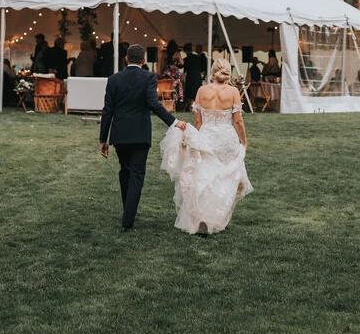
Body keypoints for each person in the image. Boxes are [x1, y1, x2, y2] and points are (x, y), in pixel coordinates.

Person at [160, 57, 253, 236]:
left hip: (207, 136)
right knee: (224, 178)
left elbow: (198, 121)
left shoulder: (202, 90)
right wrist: (244, 141)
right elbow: (238, 121)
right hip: (226, 138)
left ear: (212, 71)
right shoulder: (233, 91)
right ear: (227, 71)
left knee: (205, 175)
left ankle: (203, 217)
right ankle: (215, 217)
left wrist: (198, 139)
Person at [99, 43, 186, 232]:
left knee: (125, 171)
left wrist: (103, 139)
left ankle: (127, 213)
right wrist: (174, 122)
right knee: (137, 174)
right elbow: (153, 104)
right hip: (140, 134)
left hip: (120, 133)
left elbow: (107, 111)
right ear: (144, 60)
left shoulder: (114, 79)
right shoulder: (148, 77)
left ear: (126, 59)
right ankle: (127, 219)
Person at [160, 39, 184, 107]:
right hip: (175, 72)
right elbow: (182, 63)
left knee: (167, 87)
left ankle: (167, 103)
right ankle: (175, 102)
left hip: (167, 72)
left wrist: (162, 72)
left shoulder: (164, 53)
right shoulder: (177, 53)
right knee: (176, 87)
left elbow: (161, 65)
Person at [183, 42, 203, 110]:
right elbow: (201, 68)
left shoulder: (185, 59)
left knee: (190, 93)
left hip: (190, 77)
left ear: (185, 51)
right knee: (196, 93)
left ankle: (191, 107)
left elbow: (184, 69)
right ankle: (197, 107)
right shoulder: (197, 57)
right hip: (197, 77)